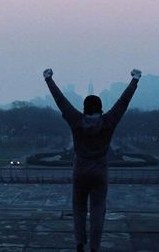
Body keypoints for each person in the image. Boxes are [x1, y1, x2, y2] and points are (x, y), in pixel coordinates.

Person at [43, 68, 142, 252]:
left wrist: (48, 79)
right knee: (98, 211)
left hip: (80, 170)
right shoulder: (108, 121)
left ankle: (80, 242)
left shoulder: (76, 120)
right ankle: (95, 248)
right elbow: (123, 102)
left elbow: (60, 101)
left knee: (78, 208)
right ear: (100, 107)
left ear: (85, 108)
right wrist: (135, 80)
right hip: (100, 172)